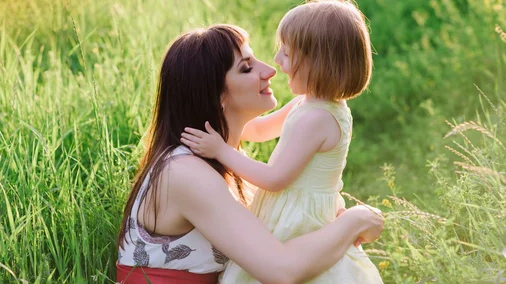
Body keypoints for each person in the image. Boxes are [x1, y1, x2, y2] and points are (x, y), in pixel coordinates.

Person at [117, 24, 384, 284]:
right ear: (217, 95)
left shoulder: (228, 163)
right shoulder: (185, 172)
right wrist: (355, 221)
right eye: (246, 68)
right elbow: (281, 270)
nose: (270, 70)